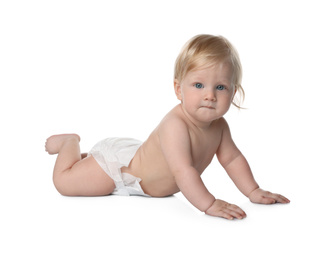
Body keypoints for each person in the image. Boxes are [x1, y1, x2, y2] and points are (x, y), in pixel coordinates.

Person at [45, 34, 290, 220]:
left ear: (233, 92)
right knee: (64, 183)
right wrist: (209, 203)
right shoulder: (176, 125)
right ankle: (70, 143)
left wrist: (253, 191)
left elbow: (233, 159)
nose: (210, 96)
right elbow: (183, 171)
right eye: (198, 85)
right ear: (178, 89)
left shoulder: (220, 126)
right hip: (120, 173)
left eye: (220, 87)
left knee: (84, 172)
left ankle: (86, 158)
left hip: (141, 166)